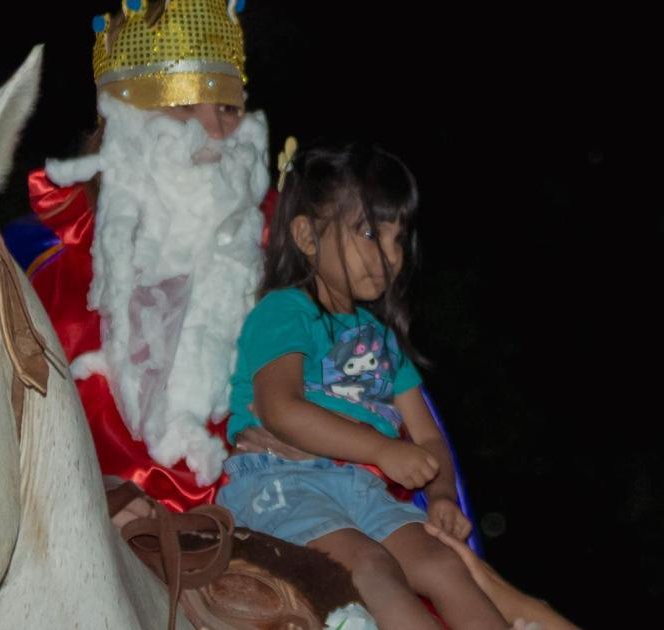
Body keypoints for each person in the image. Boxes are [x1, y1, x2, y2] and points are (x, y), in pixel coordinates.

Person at [215, 142, 507, 629]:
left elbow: (428, 434)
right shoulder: (285, 312)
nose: (390, 255)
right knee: (370, 567)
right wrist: (380, 448)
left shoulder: (382, 340)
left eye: (398, 239)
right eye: (369, 232)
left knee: (444, 565)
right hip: (281, 482)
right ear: (308, 235)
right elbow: (279, 409)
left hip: (363, 489)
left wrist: (441, 496)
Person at [5, 0, 275, 509]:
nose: (216, 133)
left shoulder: (284, 253)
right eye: (184, 107)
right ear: (124, 126)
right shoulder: (41, 263)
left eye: (228, 109)